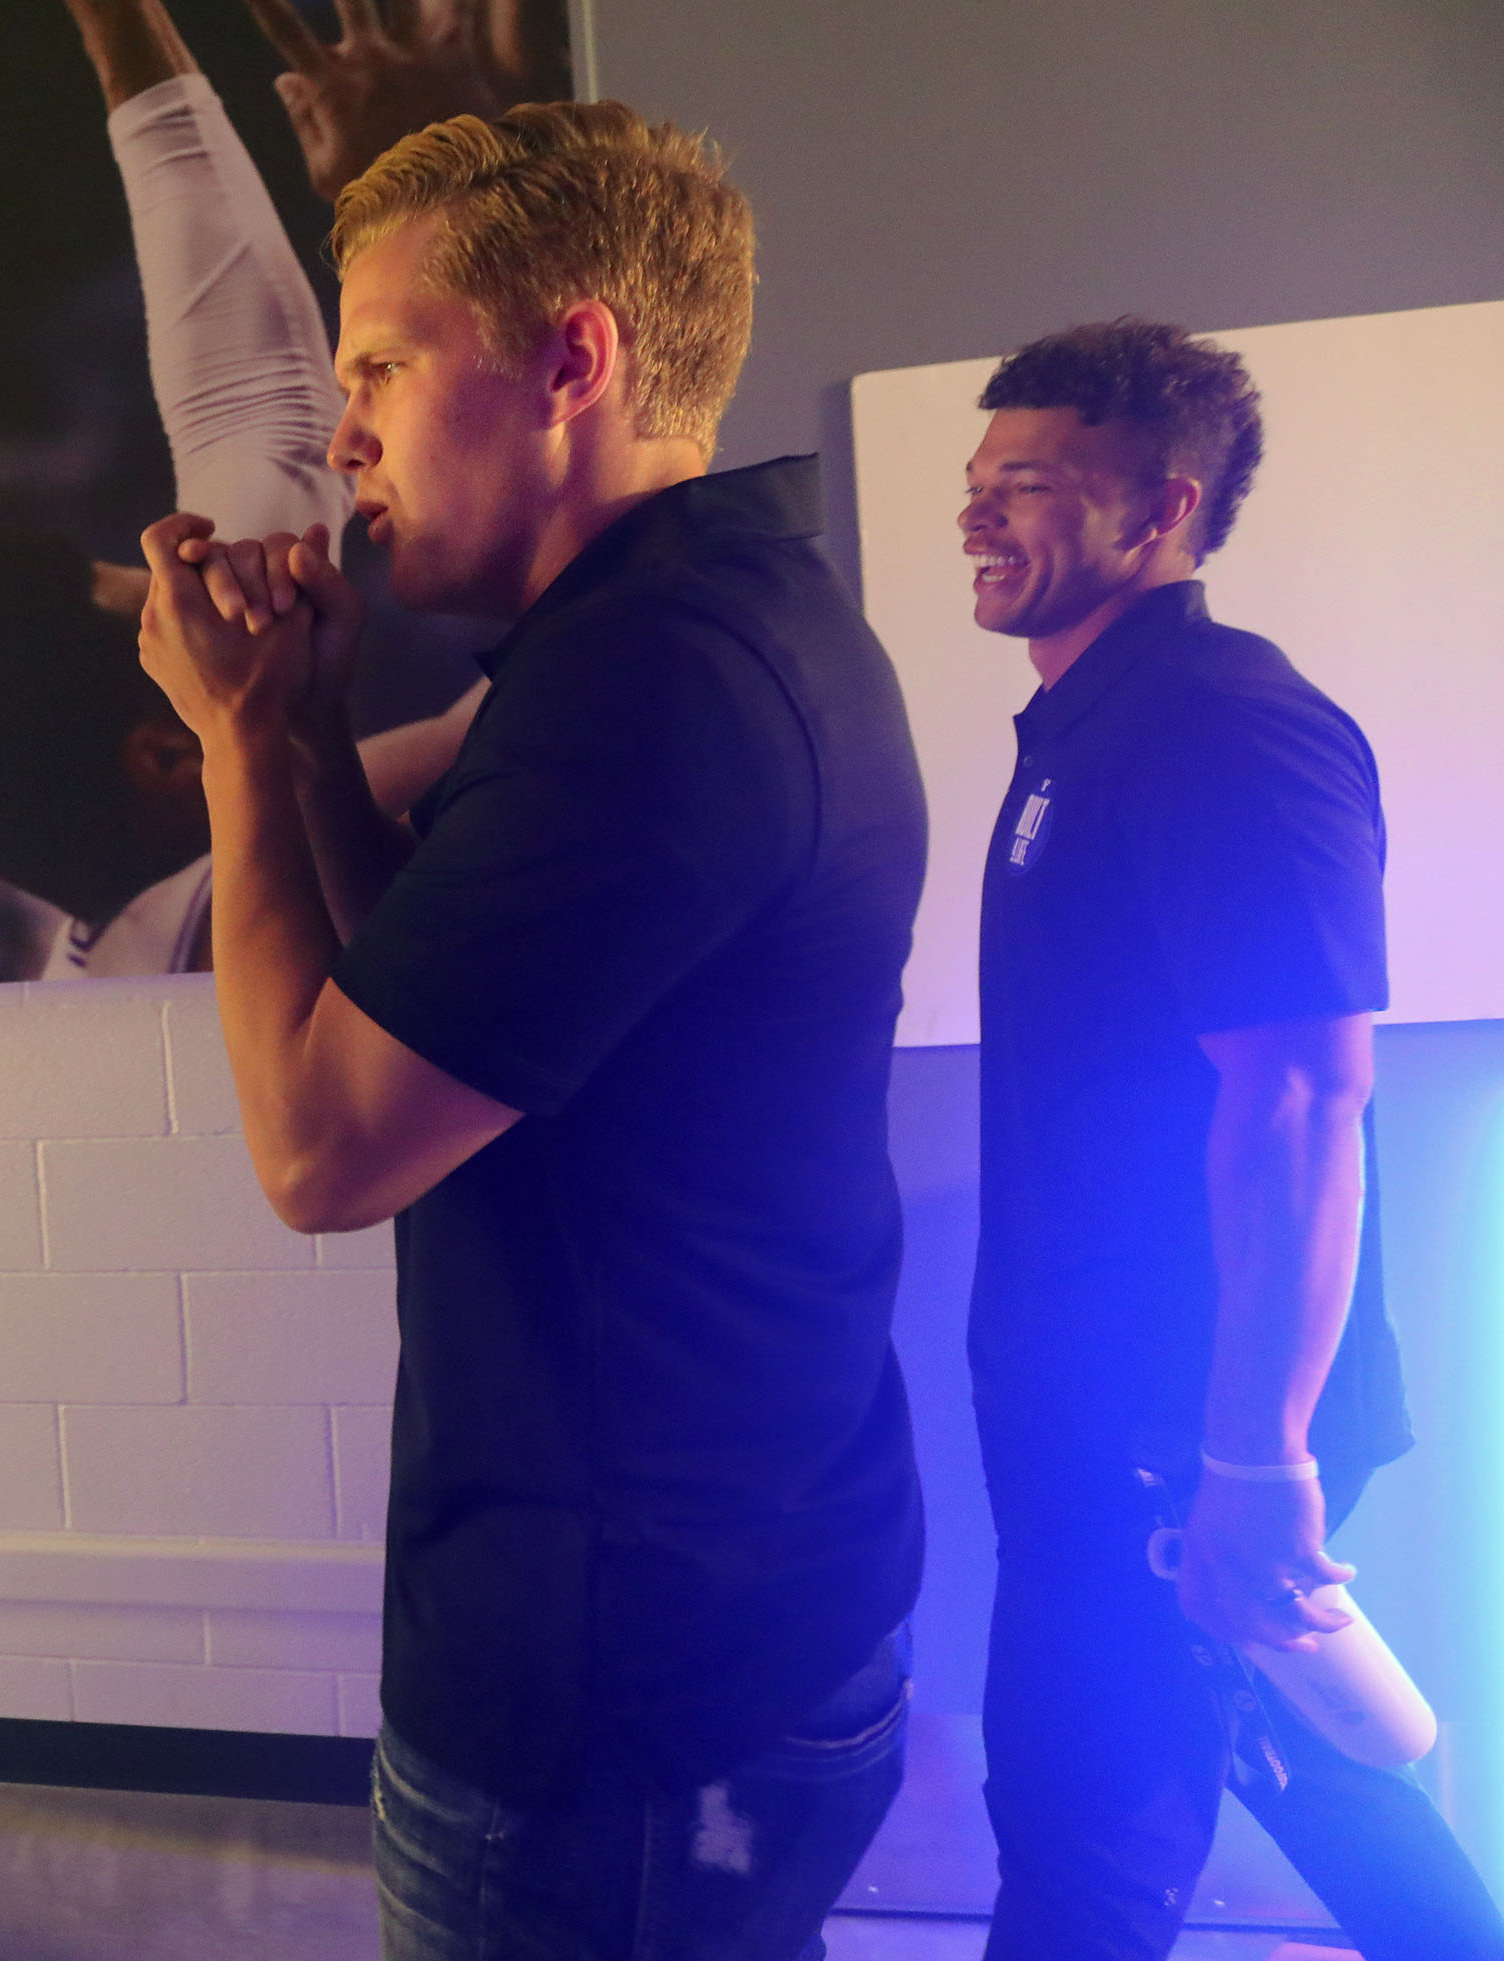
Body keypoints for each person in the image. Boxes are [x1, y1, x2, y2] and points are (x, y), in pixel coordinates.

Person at [135, 102, 928, 1957]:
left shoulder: (651, 693)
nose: (345, 438)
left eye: (387, 366)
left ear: (576, 360)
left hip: (619, 1689)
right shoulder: (690, 631)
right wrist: (315, 736)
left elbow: (323, 1147)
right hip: (730, 1602)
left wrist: (243, 749)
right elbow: (419, 980)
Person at [956, 318, 1504, 1960]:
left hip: (1178, 1432)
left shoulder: (1224, 728)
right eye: (975, 484)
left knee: (1082, 1855)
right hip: (1117, 1426)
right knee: (1308, 1776)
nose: (979, 518)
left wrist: (1253, 1460)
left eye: (1029, 485)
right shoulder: (1083, 728)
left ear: (1162, 509)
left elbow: (1301, 1095)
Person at [0, 0, 482, 977]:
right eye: (169, 604)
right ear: (166, 757)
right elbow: (571, 685)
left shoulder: (112, 946)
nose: (207, 570)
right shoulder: (242, 895)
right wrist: (461, 197)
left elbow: (254, 414)